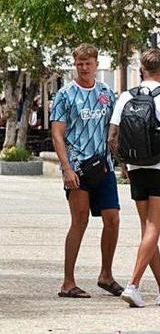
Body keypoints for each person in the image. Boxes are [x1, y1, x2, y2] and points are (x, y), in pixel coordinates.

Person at [50, 44, 121, 299]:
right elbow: (57, 134)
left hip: (103, 165)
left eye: (88, 62)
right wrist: (66, 168)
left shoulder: (105, 92)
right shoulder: (65, 94)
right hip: (78, 168)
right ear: (75, 63)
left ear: (96, 63)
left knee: (112, 217)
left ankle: (106, 274)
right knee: (79, 221)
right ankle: (68, 281)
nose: (84, 67)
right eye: (79, 63)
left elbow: (114, 127)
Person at [109, 48, 160, 307]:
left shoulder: (126, 96)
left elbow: (112, 137)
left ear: (142, 69)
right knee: (154, 229)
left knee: (147, 231)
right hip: (159, 167)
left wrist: (123, 165)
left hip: (136, 166)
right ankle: (133, 284)